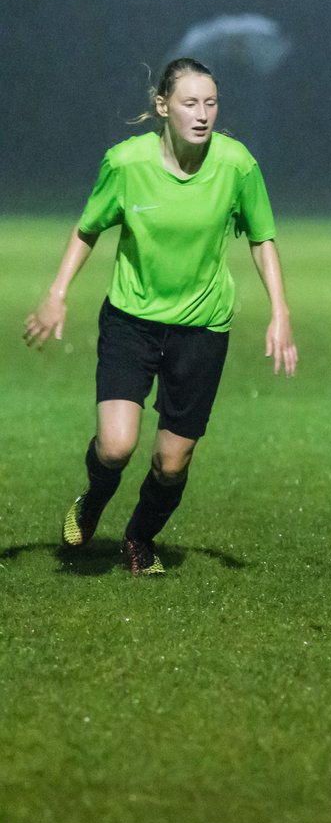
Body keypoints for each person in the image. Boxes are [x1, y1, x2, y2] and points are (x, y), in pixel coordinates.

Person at [22, 57, 297, 575]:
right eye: (190, 103)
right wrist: (57, 293)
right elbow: (88, 228)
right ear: (162, 106)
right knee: (116, 446)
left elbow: (262, 238)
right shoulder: (126, 164)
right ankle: (94, 497)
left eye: (210, 103)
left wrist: (280, 312)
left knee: (171, 463)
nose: (202, 114)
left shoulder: (236, 165)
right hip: (132, 321)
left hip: (202, 328)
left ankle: (138, 538)